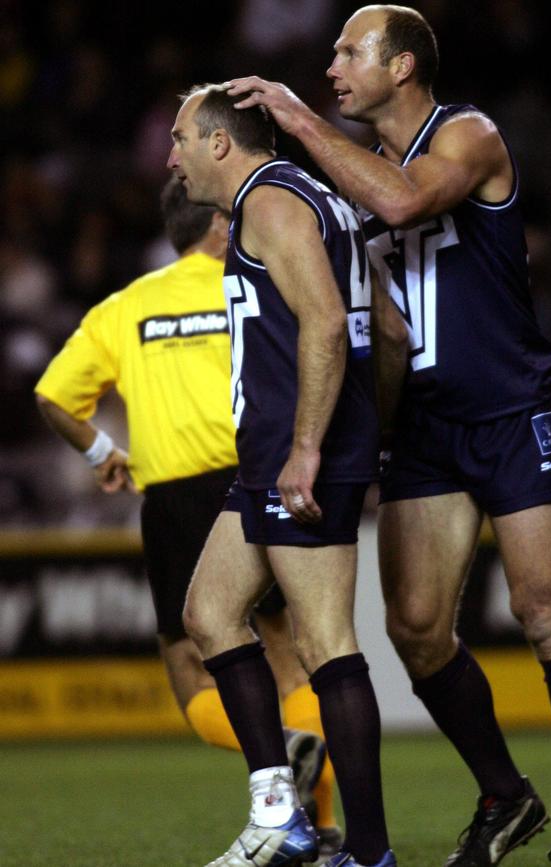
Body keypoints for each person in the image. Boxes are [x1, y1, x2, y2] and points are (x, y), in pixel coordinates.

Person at [224, 6, 551, 867]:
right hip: (425, 426)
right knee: (414, 627)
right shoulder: (353, 169)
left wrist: (295, 119)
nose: (331, 65)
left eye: (348, 51)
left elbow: (404, 198)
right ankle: (505, 792)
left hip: (507, 408)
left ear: (402, 66)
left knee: (546, 611)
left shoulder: (468, 134)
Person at [34, 177, 343, 861]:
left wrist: (100, 451)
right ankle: (318, 824)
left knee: (191, 667)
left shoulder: (125, 306)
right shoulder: (251, 287)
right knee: (290, 655)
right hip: (254, 478)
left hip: (174, 496)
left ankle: (277, 751)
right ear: (218, 229)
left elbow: (53, 395)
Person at [167, 83, 396, 867]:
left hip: (300, 453)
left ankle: (367, 852)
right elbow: (383, 327)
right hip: (278, 450)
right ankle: (281, 812)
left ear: (221, 143)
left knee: (327, 642)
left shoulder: (270, 202)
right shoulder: (307, 196)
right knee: (209, 612)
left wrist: (310, 448)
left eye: (181, 138)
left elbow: (329, 321)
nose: (172, 156)